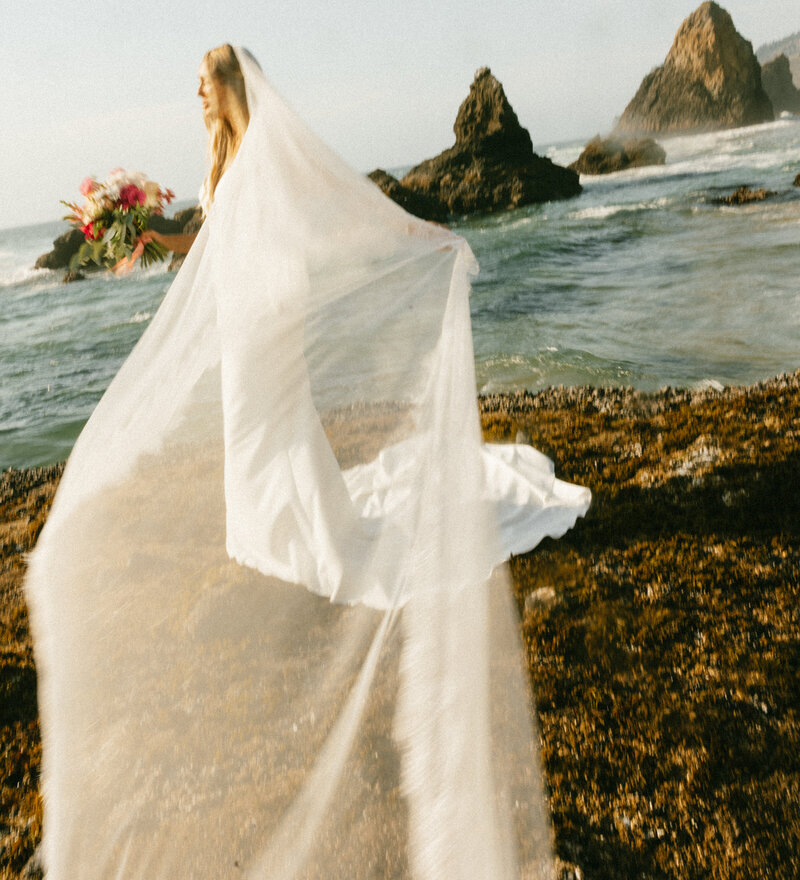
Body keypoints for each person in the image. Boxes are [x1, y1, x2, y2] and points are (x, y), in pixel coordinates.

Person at [27, 45, 590, 879]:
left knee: (267, 426)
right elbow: (208, 245)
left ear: (230, 85)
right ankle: (277, 523)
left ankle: (300, 531)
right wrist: (147, 231)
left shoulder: (270, 154)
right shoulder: (222, 163)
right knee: (255, 431)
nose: (194, 91)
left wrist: (423, 239)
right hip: (243, 319)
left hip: (268, 317)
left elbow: (342, 207)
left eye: (202, 80)